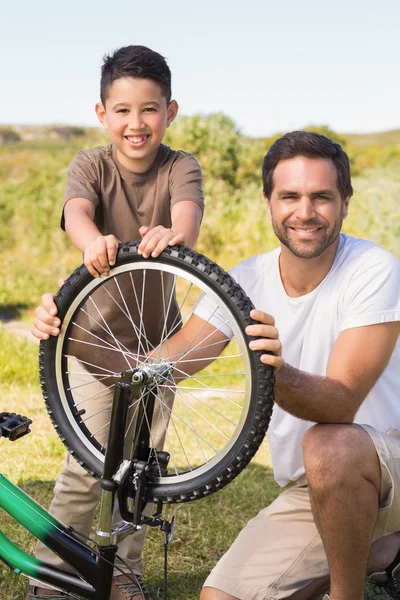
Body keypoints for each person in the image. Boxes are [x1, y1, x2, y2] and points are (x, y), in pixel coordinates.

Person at [33, 131, 400, 600]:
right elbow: (158, 367)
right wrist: (67, 334)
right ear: (268, 201)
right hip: (318, 491)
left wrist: (272, 368)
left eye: (321, 197)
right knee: (219, 598)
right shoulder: (246, 279)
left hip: (384, 463)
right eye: (289, 196)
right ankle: (380, 552)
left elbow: (342, 402)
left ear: (345, 202)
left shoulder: (374, 269)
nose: (304, 212)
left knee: (331, 445)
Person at [27, 44, 204, 600]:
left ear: (169, 112)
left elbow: (187, 216)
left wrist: (173, 235)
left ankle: (125, 574)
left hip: (157, 350)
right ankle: (52, 576)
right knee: (89, 467)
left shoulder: (181, 165)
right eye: (122, 110)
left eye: (149, 109)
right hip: (93, 343)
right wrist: (93, 241)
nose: (136, 123)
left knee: (141, 470)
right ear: (102, 113)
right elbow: (78, 212)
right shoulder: (91, 165)